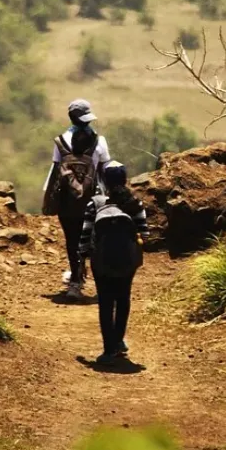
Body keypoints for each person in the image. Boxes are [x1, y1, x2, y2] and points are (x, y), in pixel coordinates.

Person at [78, 161, 149, 365]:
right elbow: (144, 233)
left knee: (106, 302)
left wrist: (82, 259)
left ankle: (108, 349)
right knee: (123, 298)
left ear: (104, 181)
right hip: (127, 262)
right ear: (125, 179)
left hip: (101, 261)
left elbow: (85, 235)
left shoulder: (95, 203)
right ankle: (118, 341)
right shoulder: (135, 202)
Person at [42, 99, 110, 299]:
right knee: (96, 240)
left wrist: (48, 199)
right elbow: (104, 170)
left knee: (72, 241)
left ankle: (75, 284)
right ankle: (102, 283)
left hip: (67, 200)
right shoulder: (99, 141)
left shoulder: (60, 140)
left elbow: (56, 171)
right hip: (94, 198)